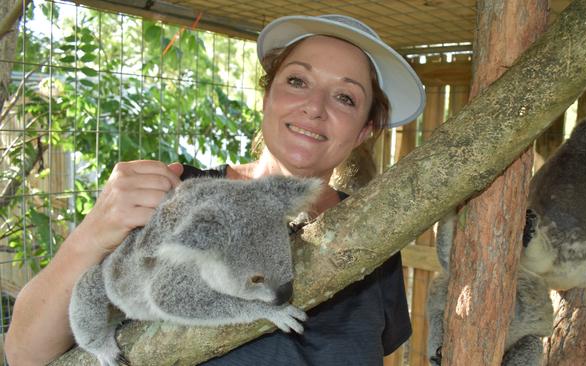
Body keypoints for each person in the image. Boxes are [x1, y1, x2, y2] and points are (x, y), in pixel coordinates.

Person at [5, 14, 425, 365]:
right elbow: (23, 355)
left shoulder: (376, 231)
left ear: (365, 130)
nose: (314, 107)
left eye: (346, 98)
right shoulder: (174, 198)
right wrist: (92, 234)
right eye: (297, 82)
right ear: (267, 97)